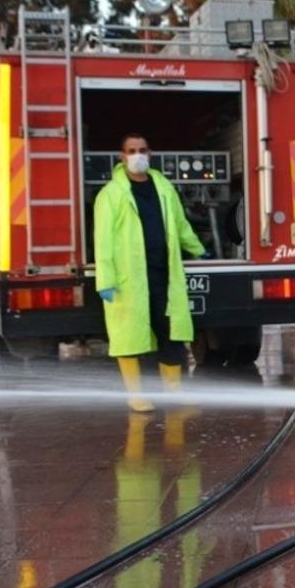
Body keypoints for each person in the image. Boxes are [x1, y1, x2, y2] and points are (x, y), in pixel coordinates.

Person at [94, 133, 209, 412]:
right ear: (122, 157)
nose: (138, 156)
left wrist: (198, 249)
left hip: (163, 276)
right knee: (129, 336)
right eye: (132, 151)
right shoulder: (111, 195)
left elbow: (180, 225)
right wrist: (106, 280)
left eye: (142, 150)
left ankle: (174, 392)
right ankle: (135, 395)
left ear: (150, 153)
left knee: (171, 332)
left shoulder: (164, 187)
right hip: (129, 280)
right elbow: (103, 241)